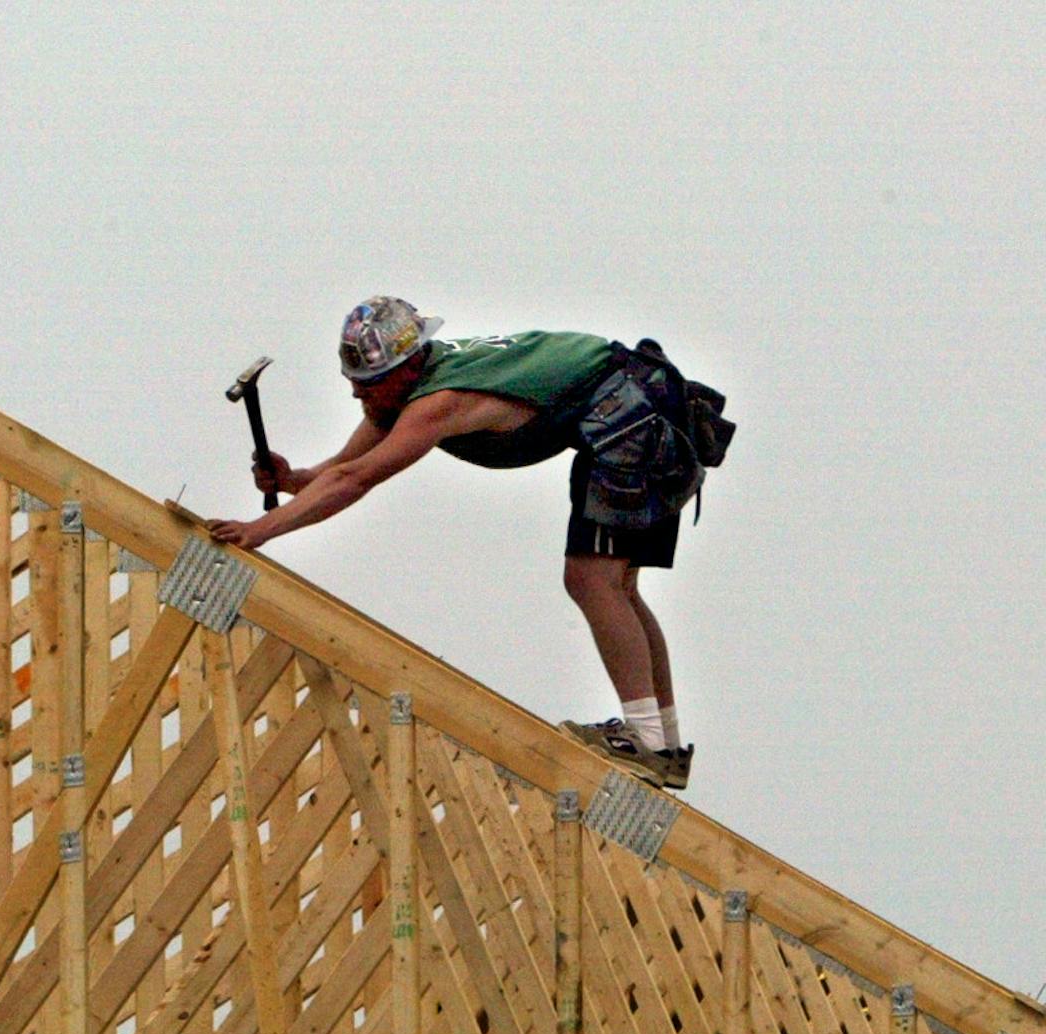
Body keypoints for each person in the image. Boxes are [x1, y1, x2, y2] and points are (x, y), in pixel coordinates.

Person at [206, 296, 710, 789]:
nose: (359, 397)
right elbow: (340, 470)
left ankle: (646, 742)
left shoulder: (439, 401)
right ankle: (661, 744)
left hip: (633, 417)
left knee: (592, 580)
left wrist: (258, 531)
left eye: (367, 386)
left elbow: (354, 481)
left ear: (405, 369)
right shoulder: (414, 385)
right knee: (616, 586)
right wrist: (295, 478)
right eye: (354, 385)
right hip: (647, 403)